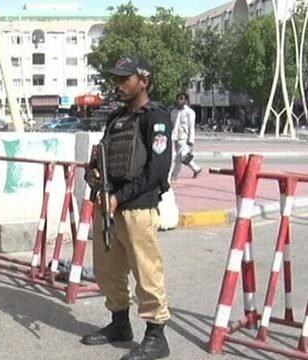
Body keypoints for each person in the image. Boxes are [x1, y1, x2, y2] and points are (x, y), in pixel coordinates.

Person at [82, 55, 172, 360]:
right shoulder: (116, 117)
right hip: (108, 203)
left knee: (146, 271)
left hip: (137, 206)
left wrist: (120, 197)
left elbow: (157, 170)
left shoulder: (155, 118)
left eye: (125, 79)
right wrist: (92, 173)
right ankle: (119, 324)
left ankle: (156, 336)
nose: (118, 85)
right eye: (116, 80)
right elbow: (103, 156)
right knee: (108, 270)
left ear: (143, 81)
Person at [170, 93, 202, 180]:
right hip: (175, 137)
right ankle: (196, 168)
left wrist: (191, 140)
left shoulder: (190, 112)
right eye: (178, 99)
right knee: (180, 156)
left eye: (181, 99)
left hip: (184, 137)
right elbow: (172, 124)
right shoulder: (174, 112)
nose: (179, 101)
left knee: (179, 157)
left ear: (186, 101)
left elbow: (191, 126)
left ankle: (174, 175)